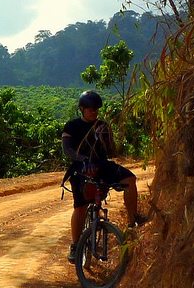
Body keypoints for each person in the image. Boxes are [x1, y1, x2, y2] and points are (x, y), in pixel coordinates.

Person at [62, 90, 148, 263]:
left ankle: (132, 220)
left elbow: (111, 150)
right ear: (82, 109)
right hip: (81, 168)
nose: (94, 112)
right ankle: (75, 245)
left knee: (130, 179)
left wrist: (106, 138)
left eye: (96, 109)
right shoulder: (72, 126)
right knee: (80, 207)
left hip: (101, 165)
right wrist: (83, 159)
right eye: (91, 109)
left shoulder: (103, 125)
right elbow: (67, 149)